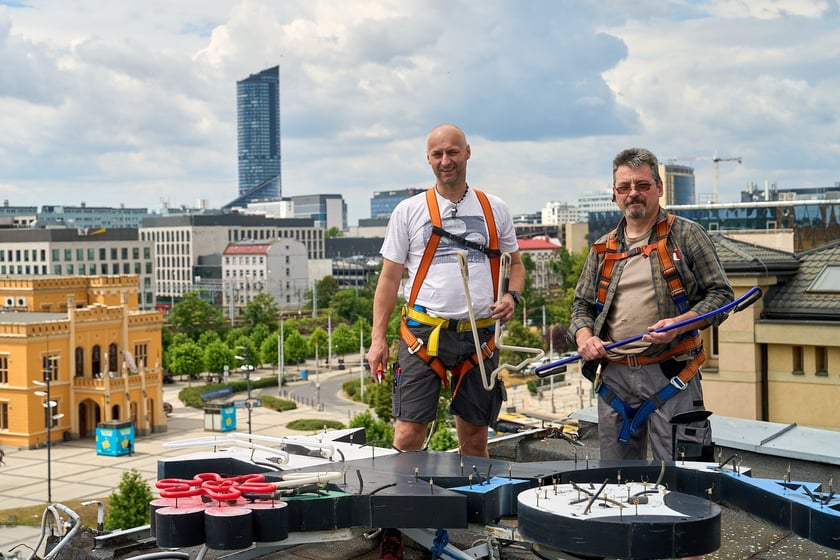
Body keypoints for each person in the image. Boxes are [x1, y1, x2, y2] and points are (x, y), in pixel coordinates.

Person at [367, 124, 524, 560]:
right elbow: (389, 278)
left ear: (468, 153)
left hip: (478, 338)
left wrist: (511, 295)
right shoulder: (410, 211)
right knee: (408, 432)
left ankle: (479, 526)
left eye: (452, 152)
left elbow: (516, 266)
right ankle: (394, 526)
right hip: (423, 335)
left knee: (475, 436)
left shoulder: (495, 210)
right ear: (428, 160)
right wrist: (378, 340)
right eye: (436, 154)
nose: (444, 161)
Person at [570, 148, 733, 560]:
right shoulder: (603, 249)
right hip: (616, 379)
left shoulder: (686, 235)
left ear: (659, 189)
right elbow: (580, 307)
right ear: (614, 194)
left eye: (642, 185)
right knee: (616, 483)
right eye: (624, 187)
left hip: (672, 374)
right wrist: (585, 336)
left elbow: (721, 296)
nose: (633, 194)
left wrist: (681, 324)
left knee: (682, 485)